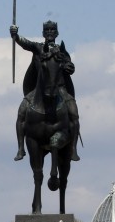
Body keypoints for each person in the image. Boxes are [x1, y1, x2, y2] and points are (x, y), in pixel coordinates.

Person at [10, 20, 80, 162]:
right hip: (39, 88)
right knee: (21, 113)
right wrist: (15, 35)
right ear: (43, 33)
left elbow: (70, 66)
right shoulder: (37, 47)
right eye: (47, 30)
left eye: (52, 30)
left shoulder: (62, 50)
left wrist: (69, 67)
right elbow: (25, 43)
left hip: (60, 89)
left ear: (57, 33)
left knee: (74, 113)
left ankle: (73, 149)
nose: (49, 32)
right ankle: (20, 148)